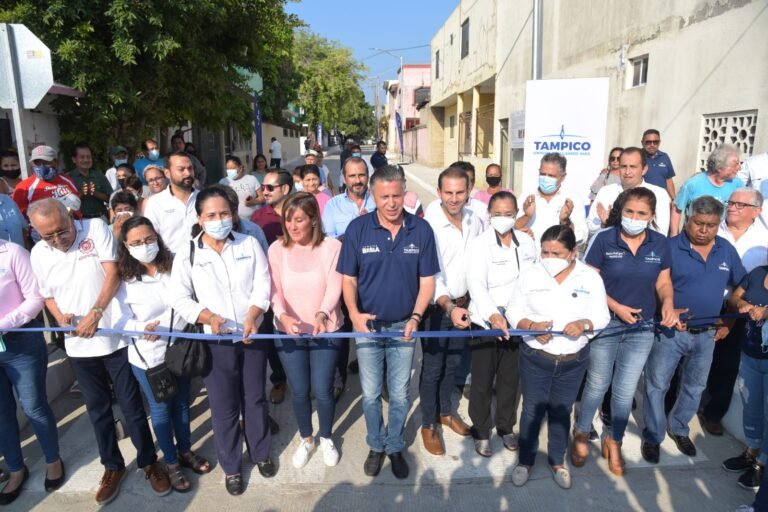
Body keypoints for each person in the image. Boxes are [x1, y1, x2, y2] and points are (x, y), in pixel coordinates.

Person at [28, 198, 169, 504]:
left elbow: (113, 273)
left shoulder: (94, 228)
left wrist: (95, 312)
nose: (57, 240)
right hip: (78, 345)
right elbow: (47, 295)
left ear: (70, 217)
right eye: (47, 236)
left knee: (132, 408)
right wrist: (59, 316)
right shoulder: (39, 253)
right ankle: (113, 466)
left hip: (115, 337)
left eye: (61, 231)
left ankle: (149, 462)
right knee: (98, 411)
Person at [168, 187, 275, 496]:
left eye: (224, 214)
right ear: (199, 218)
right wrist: (207, 317)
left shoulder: (249, 244)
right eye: (211, 215)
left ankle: (261, 452)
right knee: (223, 405)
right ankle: (231, 466)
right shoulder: (188, 253)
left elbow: (262, 285)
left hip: (251, 335)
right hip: (215, 341)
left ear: (233, 214)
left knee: (254, 398)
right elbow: (178, 297)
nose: (218, 220)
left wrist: (254, 314)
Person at [337, 164, 439, 479]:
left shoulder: (421, 231)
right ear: (373, 195)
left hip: (403, 328)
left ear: (404, 193)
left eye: (397, 196)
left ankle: (394, 445)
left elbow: (427, 283)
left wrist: (416, 317)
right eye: (384, 197)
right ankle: (375, 444)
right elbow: (348, 280)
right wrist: (353, 314)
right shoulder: (358, 230)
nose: (392, 203)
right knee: (369, 393)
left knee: (399, 393)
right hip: (367, 328)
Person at [573, 187, 678, 476]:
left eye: (641, 213)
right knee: (597, 385)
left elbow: (663, 282)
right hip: (606, 324)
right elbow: (588, 284)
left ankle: (614, 439)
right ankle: (581, 433)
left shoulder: (659, 243)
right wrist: (616, 307)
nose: (634, 217)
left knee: (625, 391)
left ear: (651, 216)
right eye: (629, 211)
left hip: (642, 329)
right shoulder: (604, 239)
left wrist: (667, 302)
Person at [641, 196, 746, 464]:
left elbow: (740, 287)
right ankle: (653, 435)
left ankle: (678, 428)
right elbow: (653, 284)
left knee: (694, 387)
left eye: (711, 225)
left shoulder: (726, 250)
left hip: (708, 334)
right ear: (688, 219)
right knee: (657, 384)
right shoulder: (669, 247)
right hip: (671, 332)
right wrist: (666, 310)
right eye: (699, 223)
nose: (704, 230)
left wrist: (729, 320)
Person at [506, 225, 610, 489]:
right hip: (535, 357)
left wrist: (585, 323)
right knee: (531, 410)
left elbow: (602, 315)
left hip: (572, 361)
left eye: (557, 252)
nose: (549, 258)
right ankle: (525, 461)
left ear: (573, 252)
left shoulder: (590, 278)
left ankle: (557, 462)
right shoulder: (530, 274)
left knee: (561, 412)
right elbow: (513, 309)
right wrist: (530, 326)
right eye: (545, 252)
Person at [114, 216, 211, 493]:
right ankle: (170, 463)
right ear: (126, 246)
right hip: (149, 358)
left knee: (181, 404)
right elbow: (118, 321)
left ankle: (185, 451)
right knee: (161, 409)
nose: (144, 246)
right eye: (136, 242)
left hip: (180, 351)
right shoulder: (124, 280)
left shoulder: (175, 265)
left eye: (148, 239)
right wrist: (140, 328)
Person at [268, 192, 343, 468]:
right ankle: (307, 438)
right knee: (299, 390)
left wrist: (322, 313)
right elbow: (274, 289)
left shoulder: (331, 247)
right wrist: (282, 316)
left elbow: (334, 286)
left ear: (314, 219)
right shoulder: (277, 250)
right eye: (288, 220)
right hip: (288, 332)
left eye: (299, 220)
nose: (292, 226)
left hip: (326, 331)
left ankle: (325, 437)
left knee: (322, 389)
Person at [466, 191, 537, 457]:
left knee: (510, 379)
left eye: (509, 214)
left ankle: (506, 426)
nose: (503, 219)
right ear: (489, 215)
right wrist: (494, 315)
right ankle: (481, 430)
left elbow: (532, 280)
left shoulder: (528, 244)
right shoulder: (479, 245)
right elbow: (477, 285)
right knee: (483, 380)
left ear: (517, 213)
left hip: (517, 322)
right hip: (487, 322)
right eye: (498, 214)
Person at [419, 166, 483, 456]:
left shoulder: (474, 220)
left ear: (469, 190)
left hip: (465, 304)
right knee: (432, 368)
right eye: (448, 192)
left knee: (454, 363)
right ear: (439, 192)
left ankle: (446, 411)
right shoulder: (428, 226)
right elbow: (431, 274)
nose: (454, 198)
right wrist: (448, 305)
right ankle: (428, 423)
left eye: (460, 192)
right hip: (437, 307)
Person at [0, 239, 64, 504]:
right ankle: (16, 469)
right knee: (1, 413)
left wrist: (5, 324)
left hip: (20, 343)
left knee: (33, 406)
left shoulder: (12, 252)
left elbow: (35, 298)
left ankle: (53, 460)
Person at [700, 188, 768, 436]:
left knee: (727, 363)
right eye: (731, 202)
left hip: (742, 310)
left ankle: (713, 414)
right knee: (691, 357)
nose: (732, 207)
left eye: (740, 204)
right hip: (704, 303)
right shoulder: (712, 228)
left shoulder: (764, 240)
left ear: (756, 211)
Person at [721, 263, 768, 490]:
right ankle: (751, 452)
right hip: (750, 355)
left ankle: (762, 464)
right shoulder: (758, 273)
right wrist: (741, 304)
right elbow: (735, 297)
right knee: (752, 408)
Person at [249, 170, 291, 404]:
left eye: (269, 187)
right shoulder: (257, 218)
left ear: (285, 189)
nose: (263, 191)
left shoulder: (300, 210)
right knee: (271, 337)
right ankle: (279, 379)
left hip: (300, 284)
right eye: (263, 187)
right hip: (269, 286)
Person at [587, 147, 671, 236]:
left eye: (632, 167)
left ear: (644, 169)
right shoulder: (606, 192)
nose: (627, 172)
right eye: (623, 166)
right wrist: (603, 224)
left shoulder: (659, 194)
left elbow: (661, 233)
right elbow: (590, 227)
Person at [515, 153, 588, 247]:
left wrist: (565, 221)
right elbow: (514, 228)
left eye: (551, 176)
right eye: (542, 174)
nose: (545, 179)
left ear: (563, 177)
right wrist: (527, 216)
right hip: (528, 256)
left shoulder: (572, 199)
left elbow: (581, 237)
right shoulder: (526, 196)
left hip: (558, 258)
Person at [670, 143, 745, 235]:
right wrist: (674, 236)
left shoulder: (738, 184)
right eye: (735, 164)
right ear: (720, 167)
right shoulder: (692, 184)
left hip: (722, 237)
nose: (739, 168)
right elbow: (677, 210)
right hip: (694, 236)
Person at [143, 151, 198, 254]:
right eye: (181, 169)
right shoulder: (155, 203)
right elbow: (150, 237)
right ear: (167, 173)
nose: (188, 173)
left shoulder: (204, 199)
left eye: (190, 168)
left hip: (203, 263)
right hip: (171, 264)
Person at [12, 145, 81, 223]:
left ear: (56, 162)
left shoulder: (67, 179)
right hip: (42, 233)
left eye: (46, 162)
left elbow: (76, 202)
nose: (42, 167)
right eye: (37, 163)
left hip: (74, 227)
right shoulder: (24, 187)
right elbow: (18, 216)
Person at [322, 157, 376, 240]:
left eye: (361, 175)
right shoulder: (333, 205)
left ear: (368, 176)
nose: (357, 181)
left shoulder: (379, 202)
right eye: (352, 176)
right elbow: (329, 239)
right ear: (344, 179)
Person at [641, 129, 676, 199]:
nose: (652, 145)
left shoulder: (664, 157)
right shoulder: (637, 156)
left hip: (661, 199)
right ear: (642, 143)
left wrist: (674, 199)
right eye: (648, 142)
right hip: (642, 199)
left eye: (655, 142)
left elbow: (668, 180)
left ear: (659, 143)